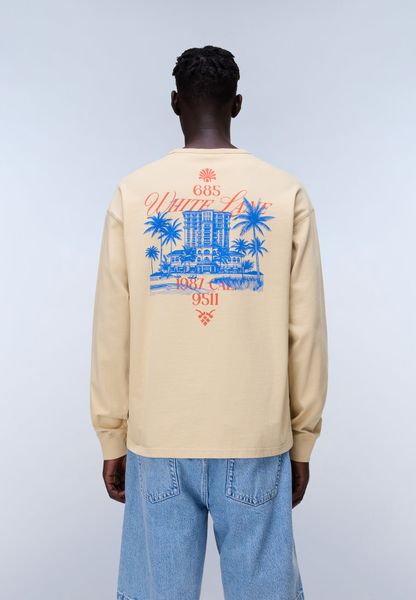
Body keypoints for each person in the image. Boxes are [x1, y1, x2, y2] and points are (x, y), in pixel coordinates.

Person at [90, 45, 328, 600]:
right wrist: (303, 439)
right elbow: (306, 331)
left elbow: (111, 329)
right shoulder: (285, 192)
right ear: (237, 104)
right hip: (255, 434)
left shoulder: (133, 193)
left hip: (159, 435)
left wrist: (111, 433)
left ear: (175, 102)